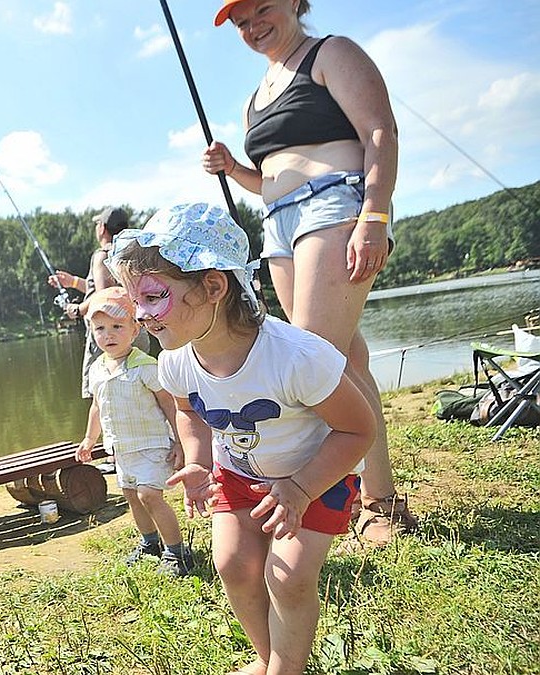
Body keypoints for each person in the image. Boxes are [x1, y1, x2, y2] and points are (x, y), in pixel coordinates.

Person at [108, 203, 375, 674]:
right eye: (137, 303)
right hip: (237, 475)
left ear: (213, 286)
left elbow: (359, 428)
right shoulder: (176, 361)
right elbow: (189, 411)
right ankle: (267, 656)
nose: (143, 316)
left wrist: (300, 488)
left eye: (153, 297)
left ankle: (286, 669)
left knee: (287, 576)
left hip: (315, 476)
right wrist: (198, 458)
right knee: (232, 564)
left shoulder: (295, 357)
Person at [202, 0, 417, 545]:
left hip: (335, 204)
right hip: (277, 224)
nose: (253, 27)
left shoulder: (330, 52)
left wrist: (375, 213)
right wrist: (236, 170)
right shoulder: (256, 98)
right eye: (241, 22)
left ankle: (330, 500)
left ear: (296, 3)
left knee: (310, 358)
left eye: (263, 10)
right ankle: (382, 499)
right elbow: (270, 177)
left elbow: (379, 131)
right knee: (344, 359)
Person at [73, 287, 192, 576]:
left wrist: (180, 441)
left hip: (151, 444)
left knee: (150, 495)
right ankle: (150, 542)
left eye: (117, 327)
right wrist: (90, 438)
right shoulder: (98, 369)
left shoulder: (145, 366)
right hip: (121, 447)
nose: (109, 335)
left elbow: (169, 403)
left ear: (135, 328)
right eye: (100, 329)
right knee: (131, 494)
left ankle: (176, 551)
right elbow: (97, 407)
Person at [47, 206, 136, 400]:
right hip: (131, 330)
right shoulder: (129, 253)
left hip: (108, 334)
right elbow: (116, 291)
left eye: (97, 224)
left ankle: (100, 431)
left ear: (102, 228)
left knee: (101, 393)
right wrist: (73, 282)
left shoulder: (102, 255)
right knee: (134, 388)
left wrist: (77, 310)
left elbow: (106, 297)